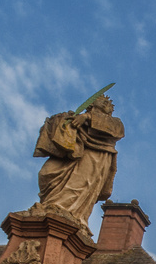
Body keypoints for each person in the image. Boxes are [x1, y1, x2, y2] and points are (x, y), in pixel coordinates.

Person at [33, 96, 126, 224]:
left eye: (109, 104)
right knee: (45, 173)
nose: (106, 104)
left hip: (95, 155)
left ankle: (67, 211)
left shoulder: (114, 122)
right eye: (102, 101)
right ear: (92, 103)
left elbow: (118, 131)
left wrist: (88, 117)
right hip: (72, 154)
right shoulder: (75, 117)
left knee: (80, 185)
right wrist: (64, 121)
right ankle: (50, 205)